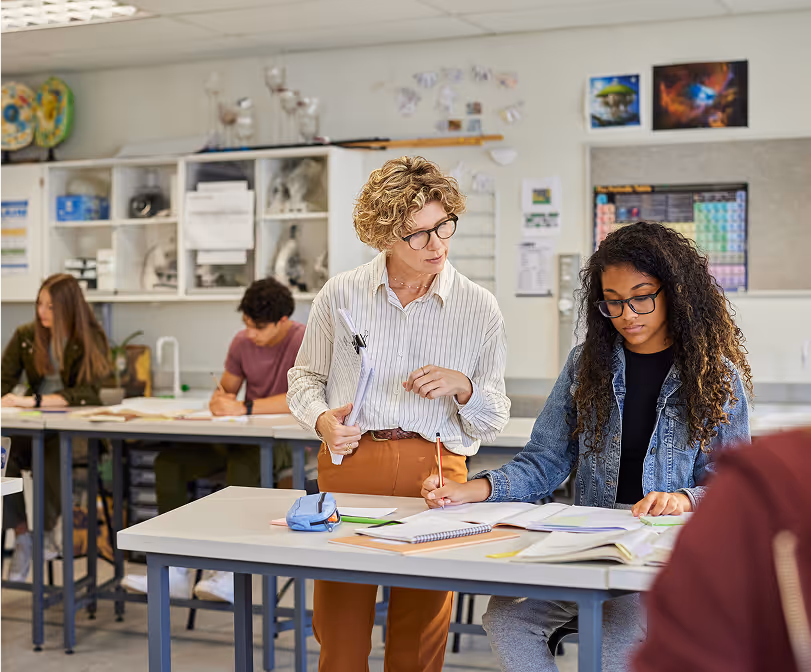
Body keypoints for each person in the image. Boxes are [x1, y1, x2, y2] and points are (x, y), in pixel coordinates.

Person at [422, 221, 752, 672]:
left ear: (674, 293)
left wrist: (680, 498)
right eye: (613, 303)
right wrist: (473, 489)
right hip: (590, 539)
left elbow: (733, 490)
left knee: (615, 635)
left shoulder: (717, 377)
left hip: (660, 553)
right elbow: (545, 461)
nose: (627, 314)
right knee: (507, 618)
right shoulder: (586, 365)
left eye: (641, 297)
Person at [287, 156, 510, 672]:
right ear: (384, 235)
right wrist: (323, 421)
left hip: (436, 471)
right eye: (418, 235)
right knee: (340, 628)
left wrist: (464, 388)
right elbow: (304, 380)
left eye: (444, 226)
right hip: (351, 462)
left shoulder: (478, 308)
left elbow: (494, 417)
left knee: (420, 629)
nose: (438, 245)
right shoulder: (340, 294)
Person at [122, 277, 305, 603]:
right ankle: (174, 570)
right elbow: (227, 392)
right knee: (169, 463)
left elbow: (302, 396)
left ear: (283, 321)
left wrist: (244, 406)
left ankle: (231, 571)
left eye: (259, 327)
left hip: (287, 442)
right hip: (244, 437)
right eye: (247, 324)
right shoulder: (241, 342)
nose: (251, 333)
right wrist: (221, 402)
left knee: (244, 464)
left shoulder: (304, 339)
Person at [633, 428, 811, 672]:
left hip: (668, 534)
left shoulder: (767, 482)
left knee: (615, 631)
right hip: (604, 540)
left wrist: (685, 499)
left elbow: (717, 482)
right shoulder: (766, 479)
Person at [0, 273, 110, 582]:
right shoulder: (26, 335)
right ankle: (23, 535)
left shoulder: (90, 337)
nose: (42, 313)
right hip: (35, 427)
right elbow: (2, 382)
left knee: (50, 448)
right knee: (2, 450)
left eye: (51, 306)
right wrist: (13, 400)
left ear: (69, 308)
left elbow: (88, 394)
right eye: (39, 304)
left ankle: (48, 530)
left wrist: (34, 401)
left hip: (74, 433)